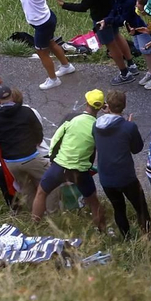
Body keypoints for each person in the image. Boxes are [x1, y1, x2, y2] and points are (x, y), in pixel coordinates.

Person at [31, 88, 107, 227]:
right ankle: (102, 231)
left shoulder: (71, 118)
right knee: (93, 202)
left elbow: (55, 139)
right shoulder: (99, 126)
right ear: (101, 107)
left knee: (41, 193)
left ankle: (34, 226)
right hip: (81, 170)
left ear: (86, 103)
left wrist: (53, 160)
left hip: (60, 166)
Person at [0, 0, 75, 88]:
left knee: (42, 52)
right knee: (51, 42)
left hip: (42, 25)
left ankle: (53, 79)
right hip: (48, 19)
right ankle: (66, 66)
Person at [93, 90, 150, 237]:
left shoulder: (96, 126)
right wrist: (129, 126)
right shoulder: (128, 127)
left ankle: (126, 238)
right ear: (124, 106)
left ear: (108, 105)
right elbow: (137, 149)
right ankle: (148, 236)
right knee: (141, 207)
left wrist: (108, 113)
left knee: (119, 208)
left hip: (106, 178)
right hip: (126, 177)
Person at [0, 84, 49, 213]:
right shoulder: (28, 112)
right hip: (33, 156)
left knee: (27, 189)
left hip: (11, 163)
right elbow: (39, 133)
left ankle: (34, 216)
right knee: (52, 179)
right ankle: (53, 212)